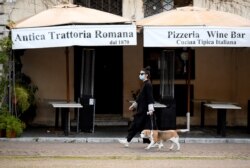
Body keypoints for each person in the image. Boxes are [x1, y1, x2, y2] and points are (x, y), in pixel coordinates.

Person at [118, 66, 156, 147]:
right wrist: (134, 105)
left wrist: (150, 109)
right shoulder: (145, 84)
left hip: (144, 110)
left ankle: (127, 140)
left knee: (137, 125)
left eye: (141, 74)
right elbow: (140, 97)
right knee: (142, 126)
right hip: (142, 109)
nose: (140, 75)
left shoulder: (148, 84)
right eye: (139, 74)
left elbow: (150, 97)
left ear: (146, 75)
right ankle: (128, 140)